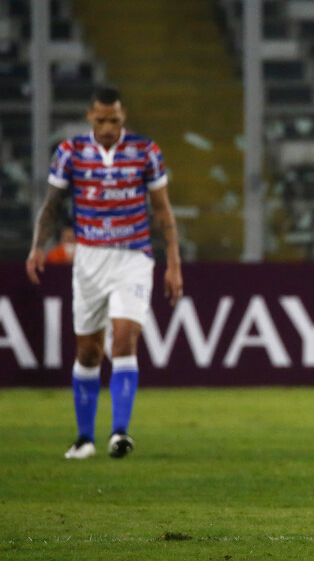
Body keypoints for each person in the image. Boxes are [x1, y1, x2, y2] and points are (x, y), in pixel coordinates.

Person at [26, 86, 183, 460]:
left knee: (125, 339)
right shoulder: (70, 152)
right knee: (89, 351)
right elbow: (52, 205)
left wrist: (173, 263)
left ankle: (119, 433)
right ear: (90, 116)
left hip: (133, 257)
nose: (109, 126)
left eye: (114, 119)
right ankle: (84, 439)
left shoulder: (146, 151)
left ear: (123, 117)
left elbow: (163, 211)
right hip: (89, 259)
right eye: (102, 120)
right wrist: (38, 246)